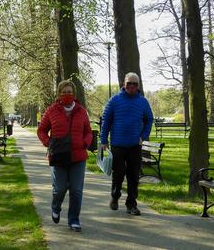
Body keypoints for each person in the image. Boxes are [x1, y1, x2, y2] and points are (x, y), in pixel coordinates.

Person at [37, 80, 93, 232]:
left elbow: (88, 131)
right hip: (58, 157)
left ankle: (74, 220)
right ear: (59, 94)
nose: (67, 94)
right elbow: (41, 130)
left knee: (76, 190)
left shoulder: (81, 111)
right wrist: (49, 143)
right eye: (64, 92)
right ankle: (56, 207)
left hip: (78, 157)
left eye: (70, 92)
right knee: (59, 189)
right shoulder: (51, 110)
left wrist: (85, 143)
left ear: (74, 94)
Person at [100, 72, 153, 216]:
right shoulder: (114, 100)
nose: (131, 86)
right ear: (124, 84)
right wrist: (103, 140)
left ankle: (131, 204)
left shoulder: (143, 102)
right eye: (129, 83)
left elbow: (149, 119)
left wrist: (144, 136)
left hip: (135, 145)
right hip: (117, 144)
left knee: (133, 175)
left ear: (138, 85)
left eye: (134, 83)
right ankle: (115, 197)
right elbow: (106, 121)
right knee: (118, 174)